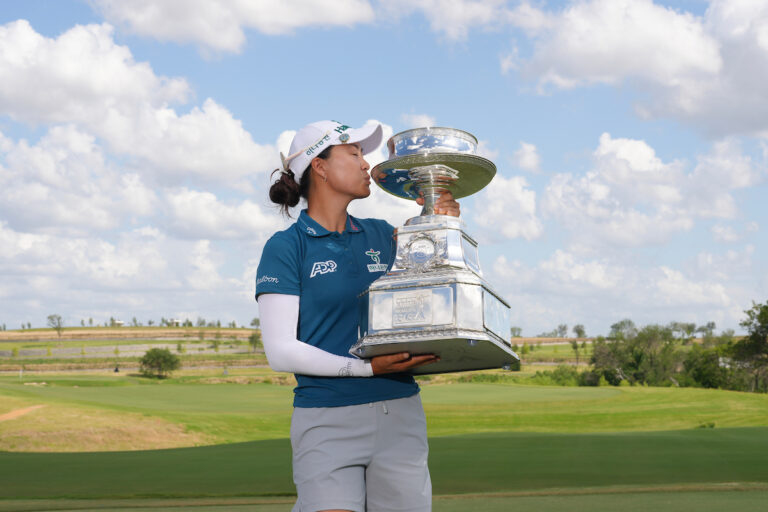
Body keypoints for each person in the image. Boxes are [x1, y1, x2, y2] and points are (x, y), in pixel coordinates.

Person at [255, 120, 460, 512]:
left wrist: (440, 220)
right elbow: (280, 351)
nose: (367, 164)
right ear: (321, 167)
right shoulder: (286, 247)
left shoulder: (384, 235)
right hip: (327, 419)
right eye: (355, 154)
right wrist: (368, 369)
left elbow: (436, 285)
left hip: (400, 414)